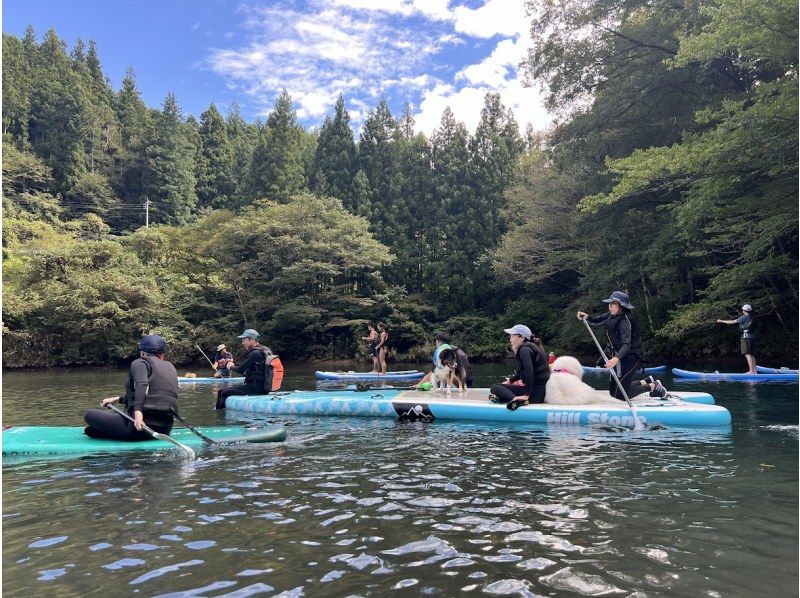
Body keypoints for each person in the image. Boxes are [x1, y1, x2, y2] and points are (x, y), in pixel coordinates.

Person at [84, 335, 179, 441]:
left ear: (142, 352)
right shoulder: (171, 367)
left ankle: (113, 434)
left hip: (138, 427)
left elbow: (142, 385)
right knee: (91, 430)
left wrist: (138, 413)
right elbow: (153, 396)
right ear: (162, 353)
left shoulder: (140, 362)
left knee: (89, 415)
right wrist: (117, 399)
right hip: (165, 429)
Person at [577, 291, 665, 400]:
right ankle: (646, 381)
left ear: (621, 306)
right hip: (620, 357)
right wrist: (587, 317)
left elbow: (627, 344)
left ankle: (653, 386)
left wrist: (616, 358)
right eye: (610, 303)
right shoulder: (611, 315)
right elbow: (596, 321)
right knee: (613, 392)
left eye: (614, 304)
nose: (610, 306)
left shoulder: (624, 321)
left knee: (620, 394)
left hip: (631, 358)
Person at [489, 324, 550, 406]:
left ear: (522, 337)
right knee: (501, 387)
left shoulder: (524, 350)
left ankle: (517, 401)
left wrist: (526, 395)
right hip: (540, 393)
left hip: (534, 394)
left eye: (512, 336)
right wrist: (510, 380)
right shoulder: (531, 347)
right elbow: (522, 371)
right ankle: (509, 398)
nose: (510, 339)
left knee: (495, 387)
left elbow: (529, 372)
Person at [215, 329, 277, 409]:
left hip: (255, 388)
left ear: (252, 340)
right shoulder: (265, 350)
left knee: (222, 392)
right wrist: (234, 365)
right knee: (227, 389)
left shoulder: (255, 353)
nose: (242, 343)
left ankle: (219, 416)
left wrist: (230, 366)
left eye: (244, 340)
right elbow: (250, 369)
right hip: (263, 387)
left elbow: (241, 369)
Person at [717, 304, 757, 374]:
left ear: (744, 310)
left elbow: (733, 322)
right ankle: (754, 371)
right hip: (752, 338)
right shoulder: (752, 317)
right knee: (751, 354)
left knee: (747, 354)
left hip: (746, 338)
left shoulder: (744, 317)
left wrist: (722, 321)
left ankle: (751, 371)